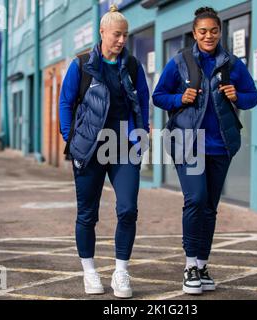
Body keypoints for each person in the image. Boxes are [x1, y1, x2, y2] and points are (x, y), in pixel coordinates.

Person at [152, 7, 257, 295]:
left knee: (210, 207)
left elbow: (253, 97)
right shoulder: (180, 62)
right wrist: (179, 98)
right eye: (203, 31)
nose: (208, 35)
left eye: (213, 30)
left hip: (220, 145)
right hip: (188, 143)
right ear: (194, 33)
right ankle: (189, 266)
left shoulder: (232, 63)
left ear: (220, 32)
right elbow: (158, 96)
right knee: (196, 199)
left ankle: (202, 264)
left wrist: (238, 95)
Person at [59, 5, 149, 299]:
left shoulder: (133, 67)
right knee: (87, 214)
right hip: (89, 147)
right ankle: (89, 271)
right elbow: (66, 103)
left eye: (125, 35)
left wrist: (141, 136)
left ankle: (121, 270)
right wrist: (70, 138)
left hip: (123, 148)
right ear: (102, 33)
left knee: (128, 209)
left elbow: (143, 104)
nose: (121, 40)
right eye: (116, 34)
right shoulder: (81, 64)